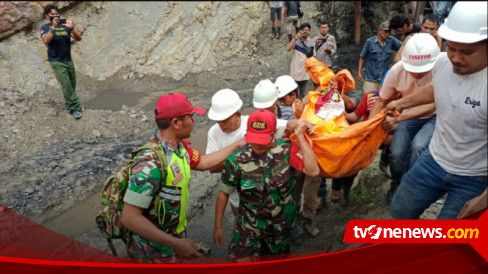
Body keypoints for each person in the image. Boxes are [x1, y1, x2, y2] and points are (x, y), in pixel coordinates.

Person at [387, 2, 487, 219]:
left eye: (467, 52)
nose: (456, 58)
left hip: (474, 176)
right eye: (451, 48)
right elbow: (437, 87)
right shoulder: (442, 63)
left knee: (448, 237)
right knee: (400, 213)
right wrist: (402, 103)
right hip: (433, 160)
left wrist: (485, 197)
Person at [121, 93, 245, 260]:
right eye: (190, 117)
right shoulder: (150, 164)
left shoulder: (178, 149)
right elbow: (130, 218)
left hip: (172, 240)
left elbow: (203, 162)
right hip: (153, 252)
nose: (193, 122)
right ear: (177, 123)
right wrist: (175, 244)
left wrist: (238, 144)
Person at [213, 109, 320, 261]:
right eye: (254, 139)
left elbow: (313, 171)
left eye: (264, 139)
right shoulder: (236, 160)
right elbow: (224, 192)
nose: (258, 145)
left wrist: (300, 137)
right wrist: (218, 226)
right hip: (249, 225)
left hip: (280, 225)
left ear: (275, 133)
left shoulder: (286, 149)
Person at [370, 33, 439, 204]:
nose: (417, 74)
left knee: (418, 147)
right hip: (407, 115)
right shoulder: (396, 71)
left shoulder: (440, 70)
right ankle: (397, 181)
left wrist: (398, 118)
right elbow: (381, 101)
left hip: (434, 117)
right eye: (413, 70)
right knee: (398, 152)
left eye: (422, 71)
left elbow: (433, 105)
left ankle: (411, 185)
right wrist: (367, 127)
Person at [206, 89, 247, 225]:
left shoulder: (252, 125)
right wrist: (244, 160)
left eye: (225, 120)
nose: (221, 124)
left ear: (238, 115)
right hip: (233, 190)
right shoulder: (214, 132)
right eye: (218, 120)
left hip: (258, 190)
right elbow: (211, 167)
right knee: (239, 218)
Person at [40, 4, 83, 119]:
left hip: (68, 60)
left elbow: (78, 38)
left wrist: (72, 27)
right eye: (52, 15)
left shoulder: (65, 26)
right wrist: (53, 27)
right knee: (66, 85)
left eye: (56, 14)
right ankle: (76, 108)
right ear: (46, 16)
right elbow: (46, 40)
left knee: (71, 85)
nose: (55, 16)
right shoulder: (45, 27)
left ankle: (69, 105)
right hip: (57, 61)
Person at [357, 21, 402, 93]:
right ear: (380, 30)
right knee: (369, 99)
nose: (387, 34)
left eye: (389, 32)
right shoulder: (370, 42)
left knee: (381, 100)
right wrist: (359, 72)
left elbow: (404, 46)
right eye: (385, 32)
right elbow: (362, 57)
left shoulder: (391, 41)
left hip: (384, 79)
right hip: (370, 78)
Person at [287, 23, 315, 98]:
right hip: (295, 71)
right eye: (302, 30)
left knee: (302, 92)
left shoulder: (312, 43)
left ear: (309, 31)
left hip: (305, 72)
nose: (304, 32)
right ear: (299, 31)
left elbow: (313, 57)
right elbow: (288, 49)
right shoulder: (296, 41)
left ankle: (301, 107)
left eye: (306, 30)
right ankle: (295, 108)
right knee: (294, 93)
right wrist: (295, 38)